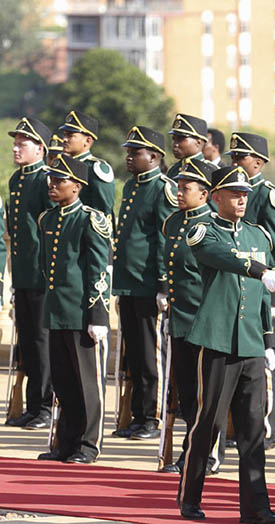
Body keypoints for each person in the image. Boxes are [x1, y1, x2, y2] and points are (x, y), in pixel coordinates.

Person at [177, 165, 275, 523]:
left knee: (253, 428)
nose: (242, 198)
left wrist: (269, 340)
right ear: (215, 197)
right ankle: (189, 497)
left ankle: (257, 508)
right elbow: (221, 258)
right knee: (207, 422)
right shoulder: (203, 231)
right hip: (219, 339)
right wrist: (258, 269)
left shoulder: (260, 236)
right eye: (234, 193)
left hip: (252, 343)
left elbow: (259, 300)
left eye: (244, 193)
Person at [36, 154, 112, 464]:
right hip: (57, 311)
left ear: (78, 186)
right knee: (64, 383)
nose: (52, 185)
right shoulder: (49, 218)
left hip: (83, 313)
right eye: (51, 180)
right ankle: (65, 443)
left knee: (87, 384)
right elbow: (46, 266)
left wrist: (98, 315)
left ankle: (88, 445)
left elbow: (98, 270)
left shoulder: (90, 219)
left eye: (60, 181)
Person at [112, 126, 178, 440]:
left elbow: (166, 239)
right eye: (128, 151)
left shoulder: (162, 188)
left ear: (154, 156)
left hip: (150, 283)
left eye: (135, 152)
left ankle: (153, 417)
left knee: (152, 354)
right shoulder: (130, 187)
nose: (128, 157)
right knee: (135, 354)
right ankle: (138, 414)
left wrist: (164, 286)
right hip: (129, 282)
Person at [227, 131, 275, 449]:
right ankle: (237, 427)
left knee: (263, 361)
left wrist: (274, 296)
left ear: (260, 162)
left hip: (262, 290)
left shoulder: (268, 195)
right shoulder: (229, 192)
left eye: (242, 157)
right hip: (237, 290)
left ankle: (264, 429)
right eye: (233, 157)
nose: (236, 162)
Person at [160, 158, 216, 473]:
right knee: (187, 395)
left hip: (203, 321)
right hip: (180, 319)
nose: (179, 193)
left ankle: (203, 455)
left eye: (186, 188)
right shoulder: (173, 222)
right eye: (179, 187)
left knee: (205, 395)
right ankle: (191, 451)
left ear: (205, 194)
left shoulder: (213, 226)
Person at [5, 117, 54, 430]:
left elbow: (51, 230)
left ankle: (45, 405)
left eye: (22, 143)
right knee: (27, 342)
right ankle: (33, 405)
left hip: (40, 274)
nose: (15, 147)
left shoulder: (45, 179)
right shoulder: (15, 179)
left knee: (40, 341)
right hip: (22, 273)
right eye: (16, 141)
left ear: (40, 148)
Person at [58, 110, 115, 219]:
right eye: (64, 135)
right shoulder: (62, 166)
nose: (64, 139)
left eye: (70, 135)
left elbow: (102, 212)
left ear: (87, 141)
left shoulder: (96, 168)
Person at [166, 113, 213, 180]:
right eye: (174, 139)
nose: (175, 144)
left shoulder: (211, 170)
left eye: (181, 139)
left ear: (198, 142)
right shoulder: (173, 170)